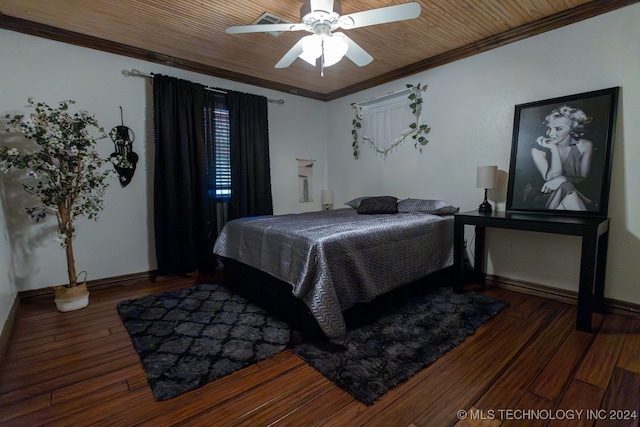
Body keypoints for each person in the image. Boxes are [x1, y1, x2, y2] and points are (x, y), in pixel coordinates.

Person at [528, 105, 593, 210]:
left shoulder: (584, 146)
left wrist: (562, 179)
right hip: (543, 196)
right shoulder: (537, 150)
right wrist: (553, 149)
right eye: (549, 128)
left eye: (558, 129)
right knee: (566, 187)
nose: (551, 134)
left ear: (572, 128)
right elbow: (551, 178)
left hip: (574, 194)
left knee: (566, 187)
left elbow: (582, 179)